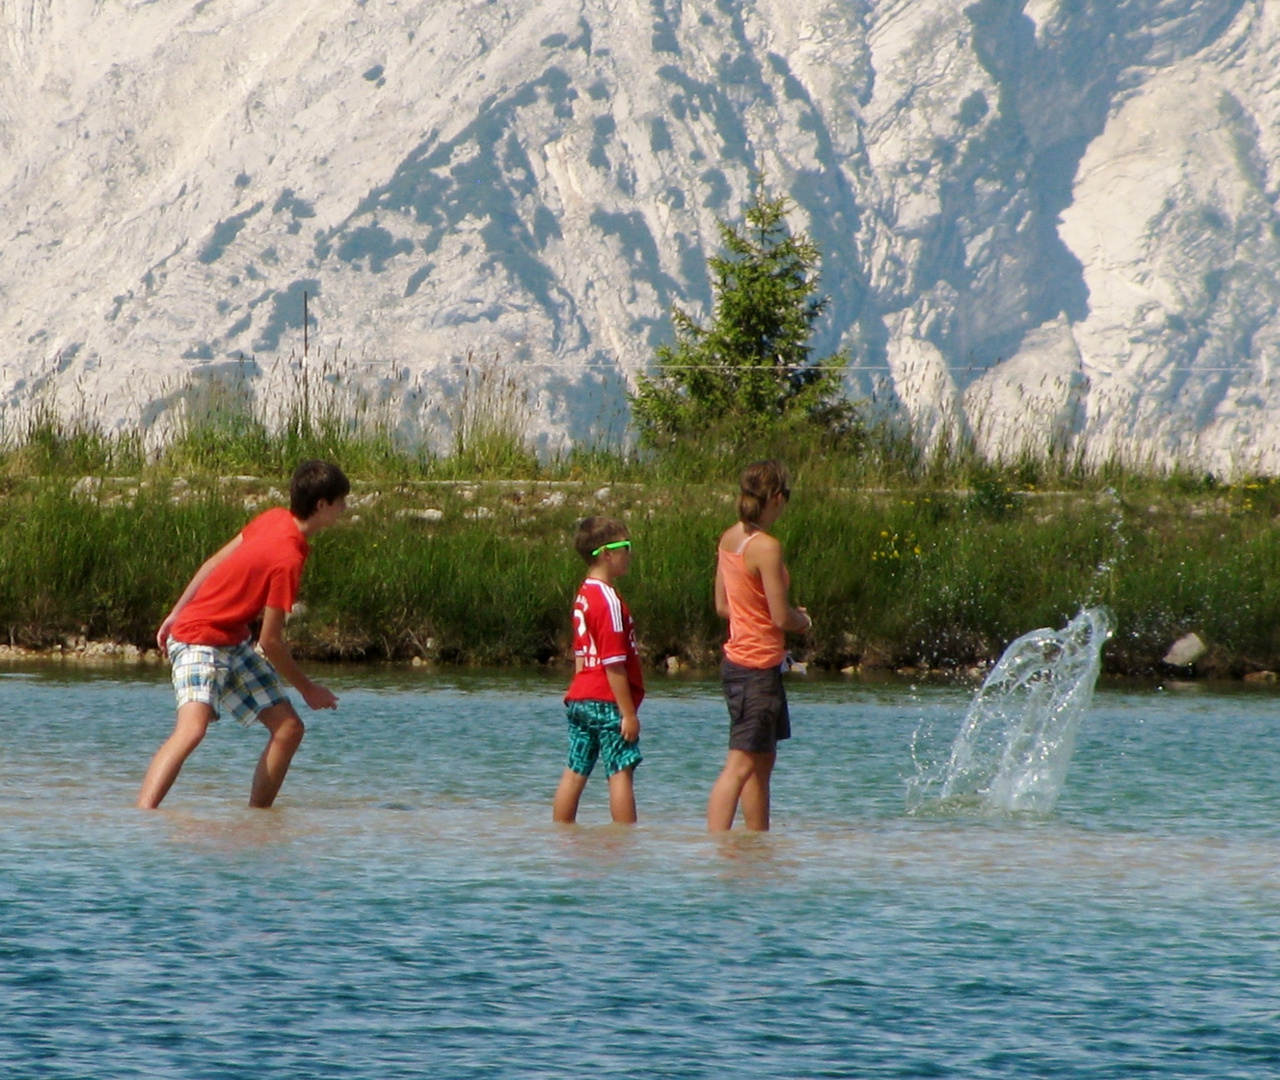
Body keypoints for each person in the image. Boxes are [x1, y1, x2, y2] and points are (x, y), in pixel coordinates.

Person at [136, 460, 350, 809]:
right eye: (341, 501)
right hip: (197, 638)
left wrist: (176, 609)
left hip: (231, 641)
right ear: (322, 504)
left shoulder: (275, 517)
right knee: (192, 730)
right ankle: (141, 819)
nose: (345, 508)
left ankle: (258, 820)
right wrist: (308, 689)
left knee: (288, 729)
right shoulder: (288, 557)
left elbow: (211, 563)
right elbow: (270, 642)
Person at [707, 460, 811, 832]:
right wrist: (803, 620)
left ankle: (756, 843)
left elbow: (723, 606)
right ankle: (716, 846)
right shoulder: (766, 546)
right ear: (778, 499)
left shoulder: (729, 538)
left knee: (761, 761)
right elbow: (782, 618)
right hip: (755, 668)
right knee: (739, 765)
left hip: (743, 664)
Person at [553, 516, 644, 824]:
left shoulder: (584, 594)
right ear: (607, 553)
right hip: (607, 700)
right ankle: (624, 842)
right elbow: (613, 662)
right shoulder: (607, 599)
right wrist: (628, 713)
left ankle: (561, 835)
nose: (630, 553)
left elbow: (581, 654)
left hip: (581, 696)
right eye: (626, 547)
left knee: (575, 770)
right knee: (621, 772)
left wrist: (580, 690)